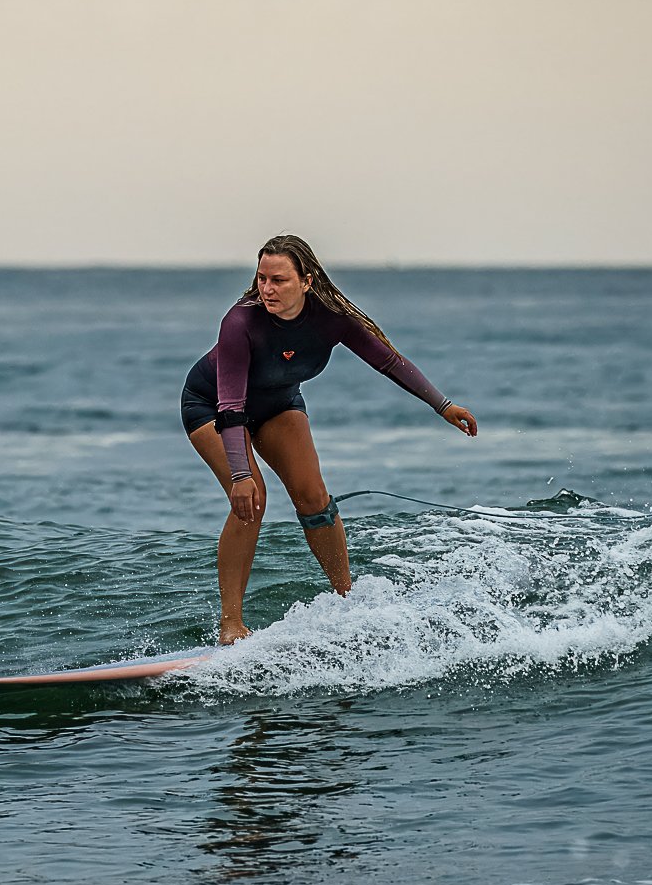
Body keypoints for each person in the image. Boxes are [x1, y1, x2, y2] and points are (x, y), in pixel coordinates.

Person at [181, 234, 478, 643]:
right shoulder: (240, 322)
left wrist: (443, 405)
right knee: (253, 499)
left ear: (306, 280)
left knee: (313, 497)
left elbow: (388, 361)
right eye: (262, 278)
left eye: (279, 280)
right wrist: (238, 475)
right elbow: (231, 406)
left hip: (279, 402)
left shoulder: (331, 317)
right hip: (212, 405)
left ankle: (346, 601)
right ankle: (231, 624)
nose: (267, 289)